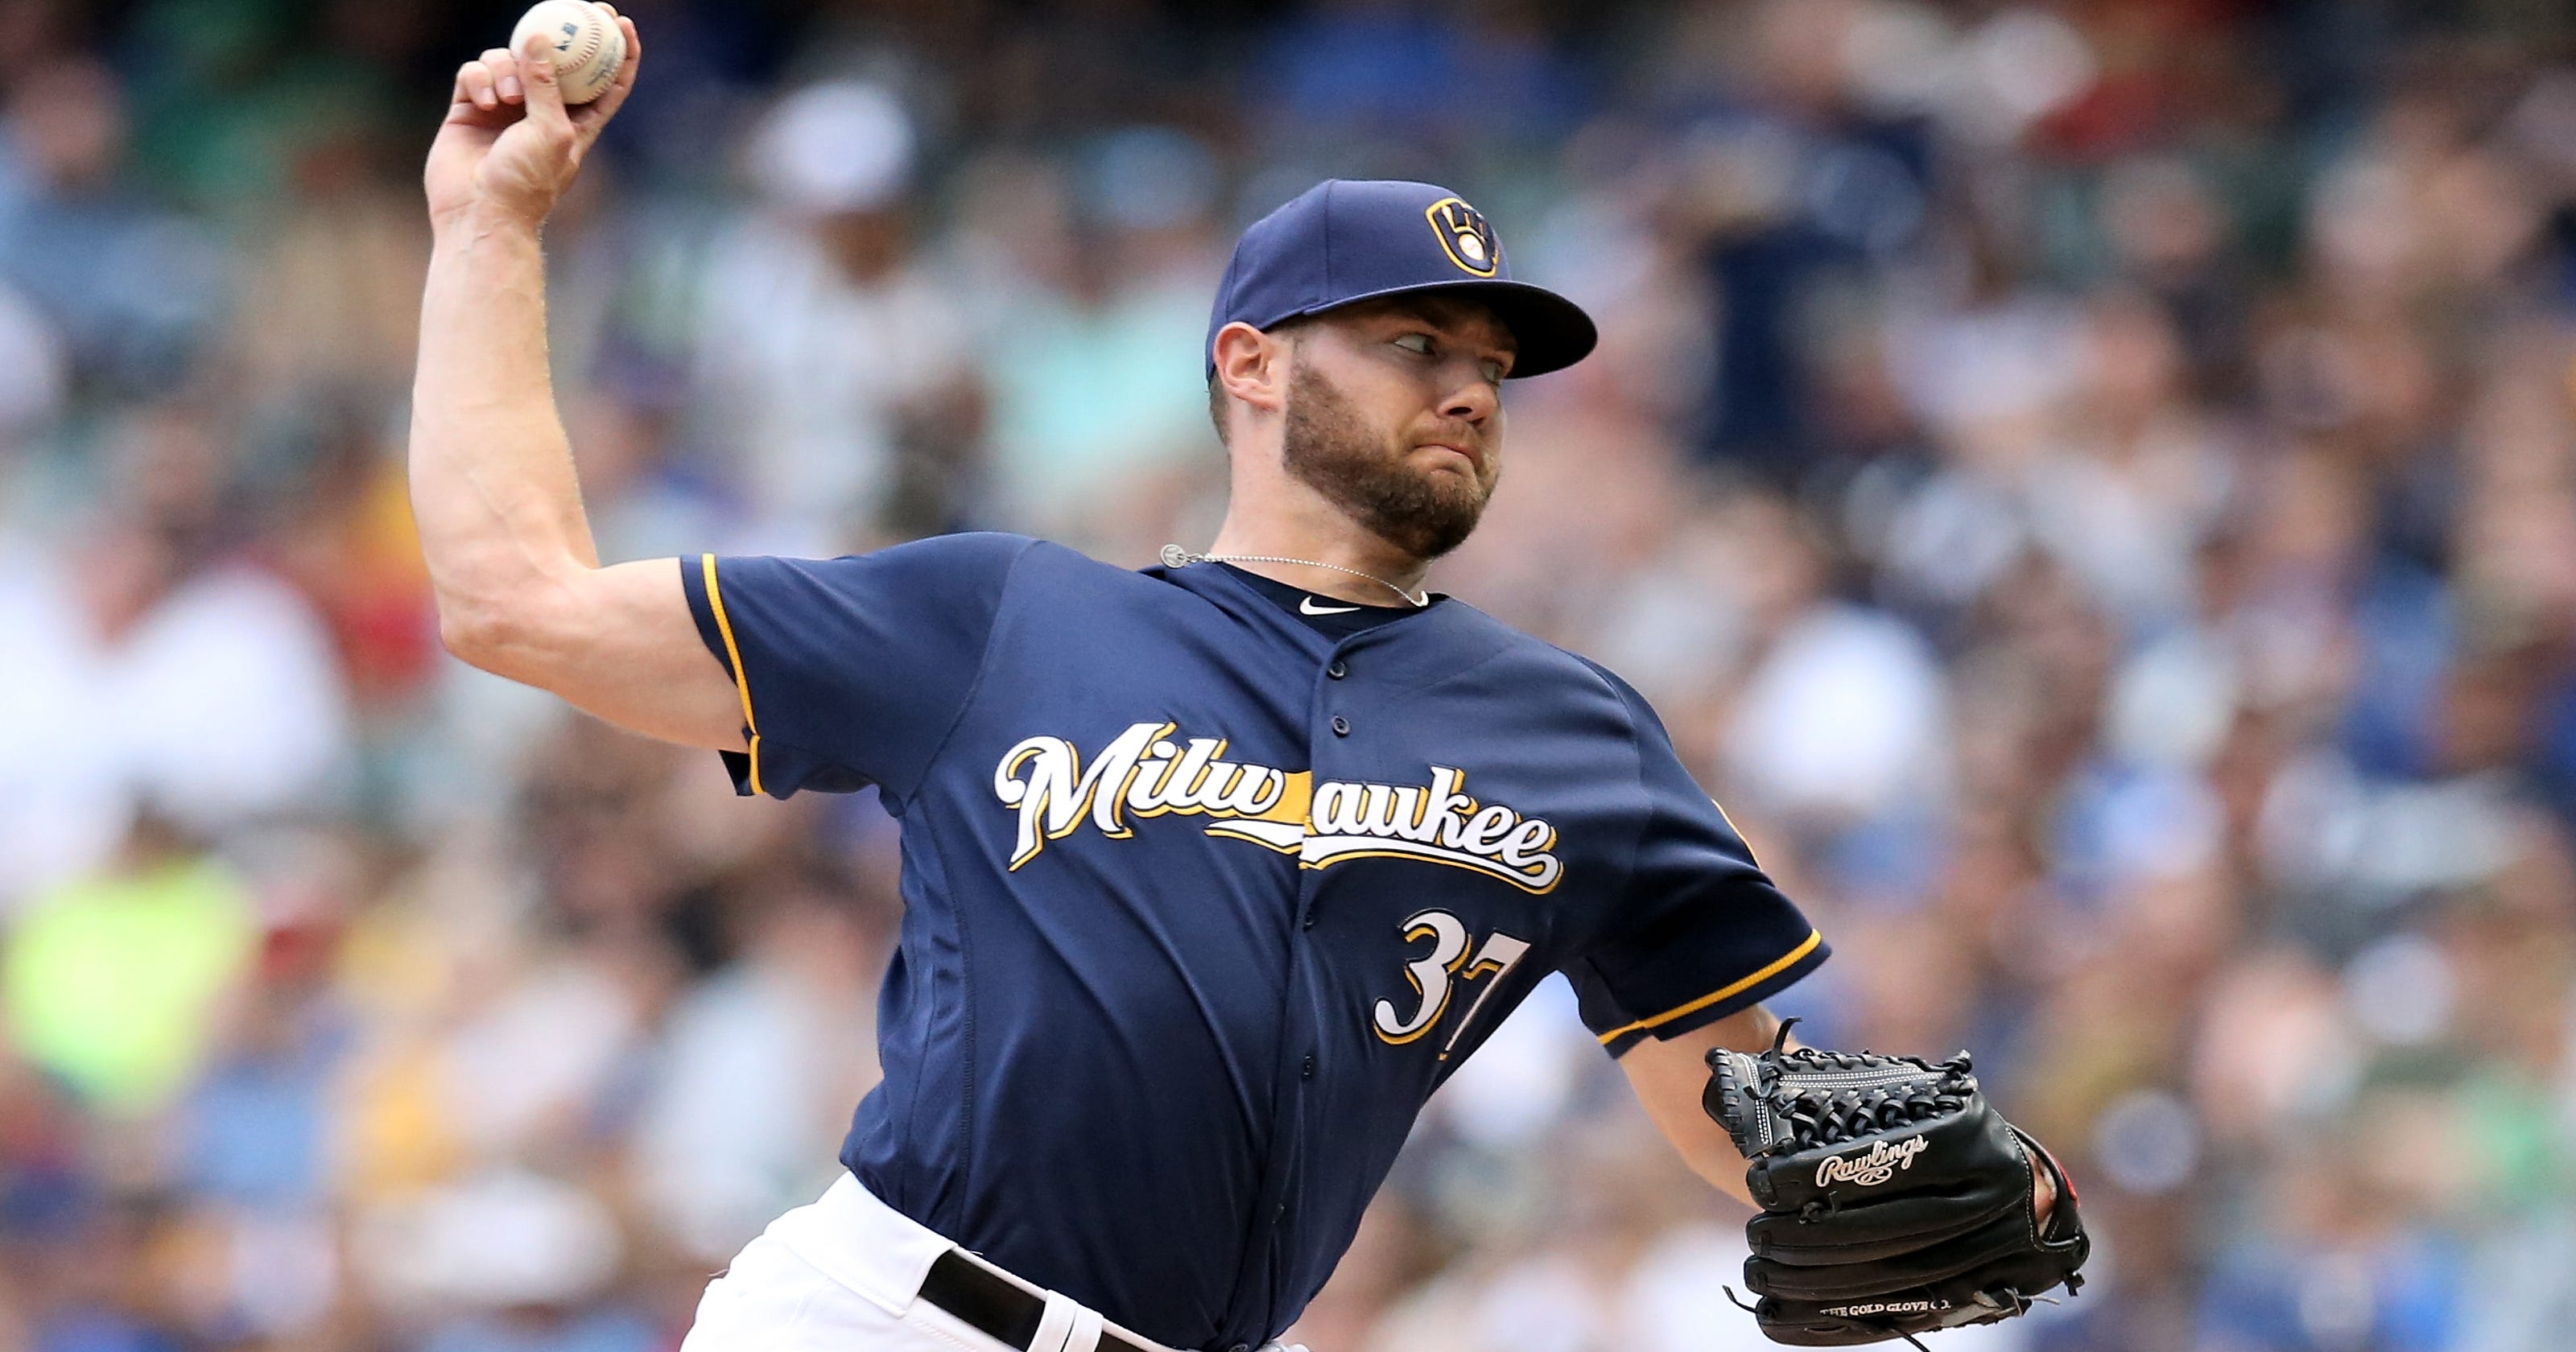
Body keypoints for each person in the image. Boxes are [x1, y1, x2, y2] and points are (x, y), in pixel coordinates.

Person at [411, 17, 2058, 1352]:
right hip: (889, 1318)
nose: (1471, 389)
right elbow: (514, 603)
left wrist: (1916, 1180)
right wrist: (491, 227)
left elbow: (1724, 1087)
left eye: (1491, 364)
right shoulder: (999, 618)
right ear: (1250, 363)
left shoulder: (1576, 736)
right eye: (1417, 342)